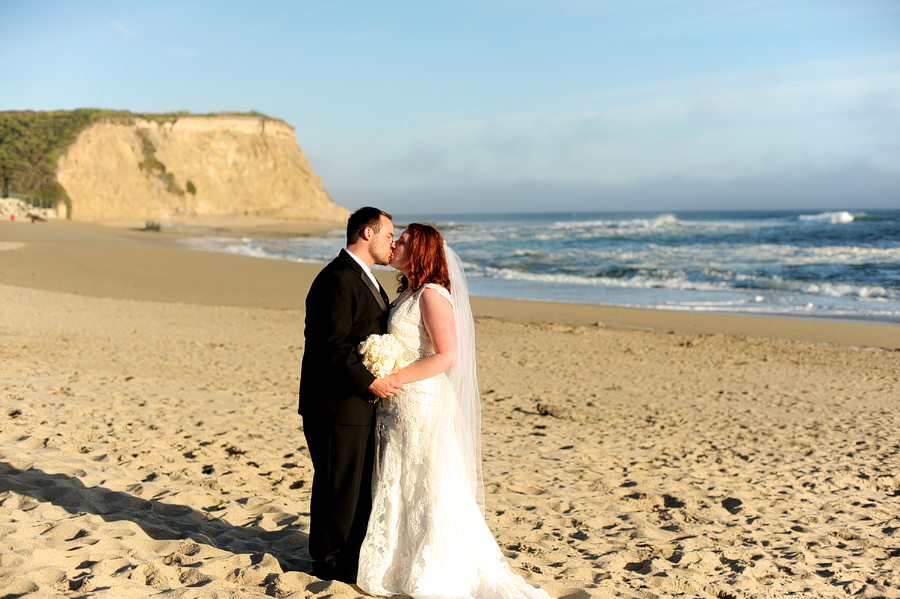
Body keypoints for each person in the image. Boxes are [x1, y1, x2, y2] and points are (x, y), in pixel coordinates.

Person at [357, 224, 551, 599]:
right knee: (403, 478)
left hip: (422, 400)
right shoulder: (407, 293)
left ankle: (432, 566)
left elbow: (448, 355)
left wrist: (394, 376)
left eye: (404, 240)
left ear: (420, 252)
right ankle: (399, 561)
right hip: (401, 401)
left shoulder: (431, 295)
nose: (394, 243)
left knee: (428, 481)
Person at [298, 207, 403, 583]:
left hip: (355, 404)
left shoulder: (366, 279)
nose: (392, 242)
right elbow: (332, 344)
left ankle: (348, 562)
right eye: (389, 235)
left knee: (354, 486)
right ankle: (327, 565)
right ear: (366, 233)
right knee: (337, 486)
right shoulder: (337, 279)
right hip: (335, 402)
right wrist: (369, 381)